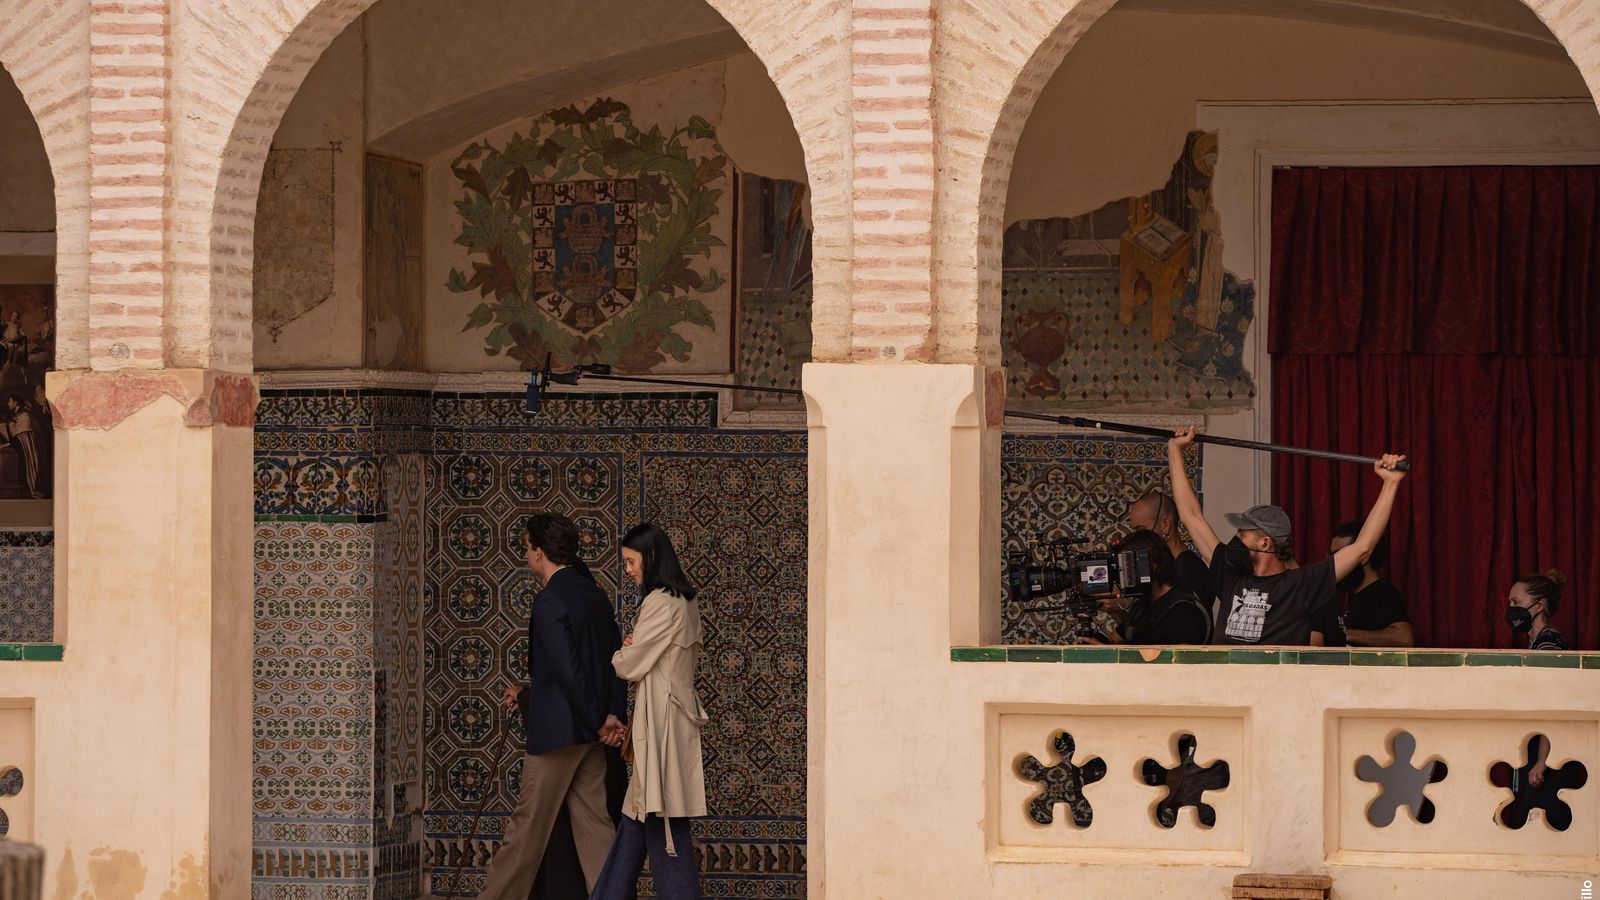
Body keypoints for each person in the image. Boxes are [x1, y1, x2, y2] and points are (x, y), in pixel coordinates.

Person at [478, 514, 629, 900]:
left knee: (525, 831)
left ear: (539, 551)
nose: (527, 555)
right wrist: (611, 716)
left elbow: (568, 672)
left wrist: (599, 721)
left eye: (528, 547)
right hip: (589, 736)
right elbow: (614, 663)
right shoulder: (595, 594)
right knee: (596, 829)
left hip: (561, 736)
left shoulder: (550, 600)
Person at [1166, 426, 1408, 645]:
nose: (1235, 539)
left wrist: (1390, 484)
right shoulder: (1229, 574)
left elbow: (1362, 547)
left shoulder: (1302, 584)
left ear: (1265, 542)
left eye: (1243, 533)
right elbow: (1190, 517)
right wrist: (1175, 450)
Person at [590, 523, 709, 900]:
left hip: (661, 726)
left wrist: (624, 650)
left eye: (630, 561)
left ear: (651, 557)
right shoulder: (686, 601)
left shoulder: (659, 601)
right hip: (670, 721)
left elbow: (628, 665)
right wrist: (635, 647)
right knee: (639, 816)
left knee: (660, 818)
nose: (627, 570)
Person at [1312, 522, 1413, 647]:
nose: (1336, 562)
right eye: (1332, 557)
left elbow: (1404, 638)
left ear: (1364, 556)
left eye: (1341, 555)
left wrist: (1345, 634)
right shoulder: (1354, 596)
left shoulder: (1383, 593)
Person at [1112, 529, 1211, 644]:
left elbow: (1182, 659)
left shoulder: (1182, 609)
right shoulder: (1143, 605)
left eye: (1129, 566)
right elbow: (1115, 639)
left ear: (1154, 562)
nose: (1124, 575)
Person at [1126, 491, 1214, 616]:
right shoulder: (1158, 568)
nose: (1138, 538)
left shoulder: (1191, 570)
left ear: (1165, 525)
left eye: (1141, 529)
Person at [1506, 569, 1569, 651]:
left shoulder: (1547, 644)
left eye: (1516, 602)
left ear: (1539, 606)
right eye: (1510, 602)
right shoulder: (1537, 640)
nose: (1511, 607)